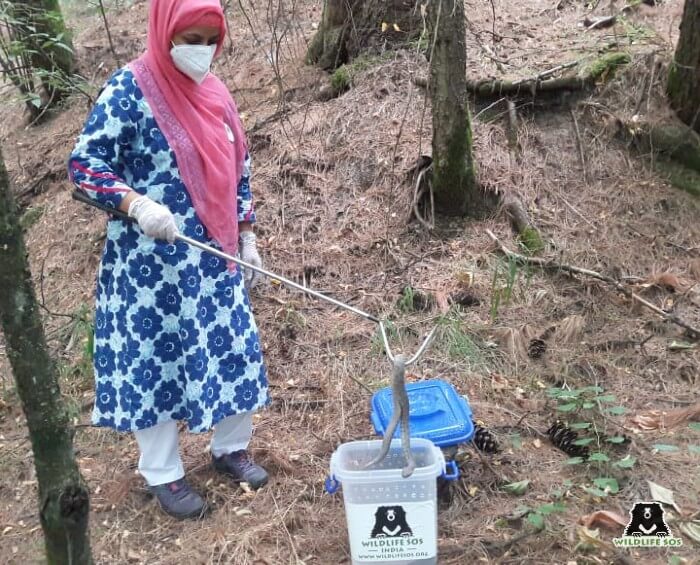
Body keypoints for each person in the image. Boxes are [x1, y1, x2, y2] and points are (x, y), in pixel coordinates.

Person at [67, 0, 270, 520]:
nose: (200, 50)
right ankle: (164, 474)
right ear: (164, 32)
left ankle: (230, 448)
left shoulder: (217, 95)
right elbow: (85, 165)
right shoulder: (129, 90)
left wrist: (246, 233)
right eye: (189, 37)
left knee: (231, 350)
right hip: (148, 267)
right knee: (153, 363)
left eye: (209, 39)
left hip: (212, 258)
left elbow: (239, 167)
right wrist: (135, 204)